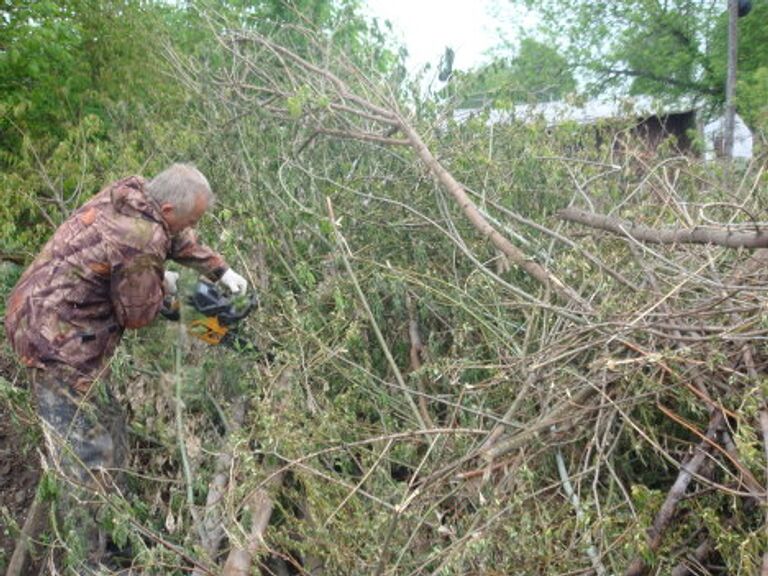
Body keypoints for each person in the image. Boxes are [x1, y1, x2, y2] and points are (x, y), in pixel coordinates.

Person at [4, 163, 248, 571]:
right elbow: (137, 313)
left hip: (51, 316)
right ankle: (90, 561)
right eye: (193, 217)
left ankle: (115, 533)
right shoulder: (141, 237)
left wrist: (219, 269)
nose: (195, 225)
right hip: (54, 342)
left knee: (111, 424)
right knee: (85, 459)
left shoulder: (134, 194)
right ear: (169, 207)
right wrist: (179, 295)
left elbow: (174, 235)